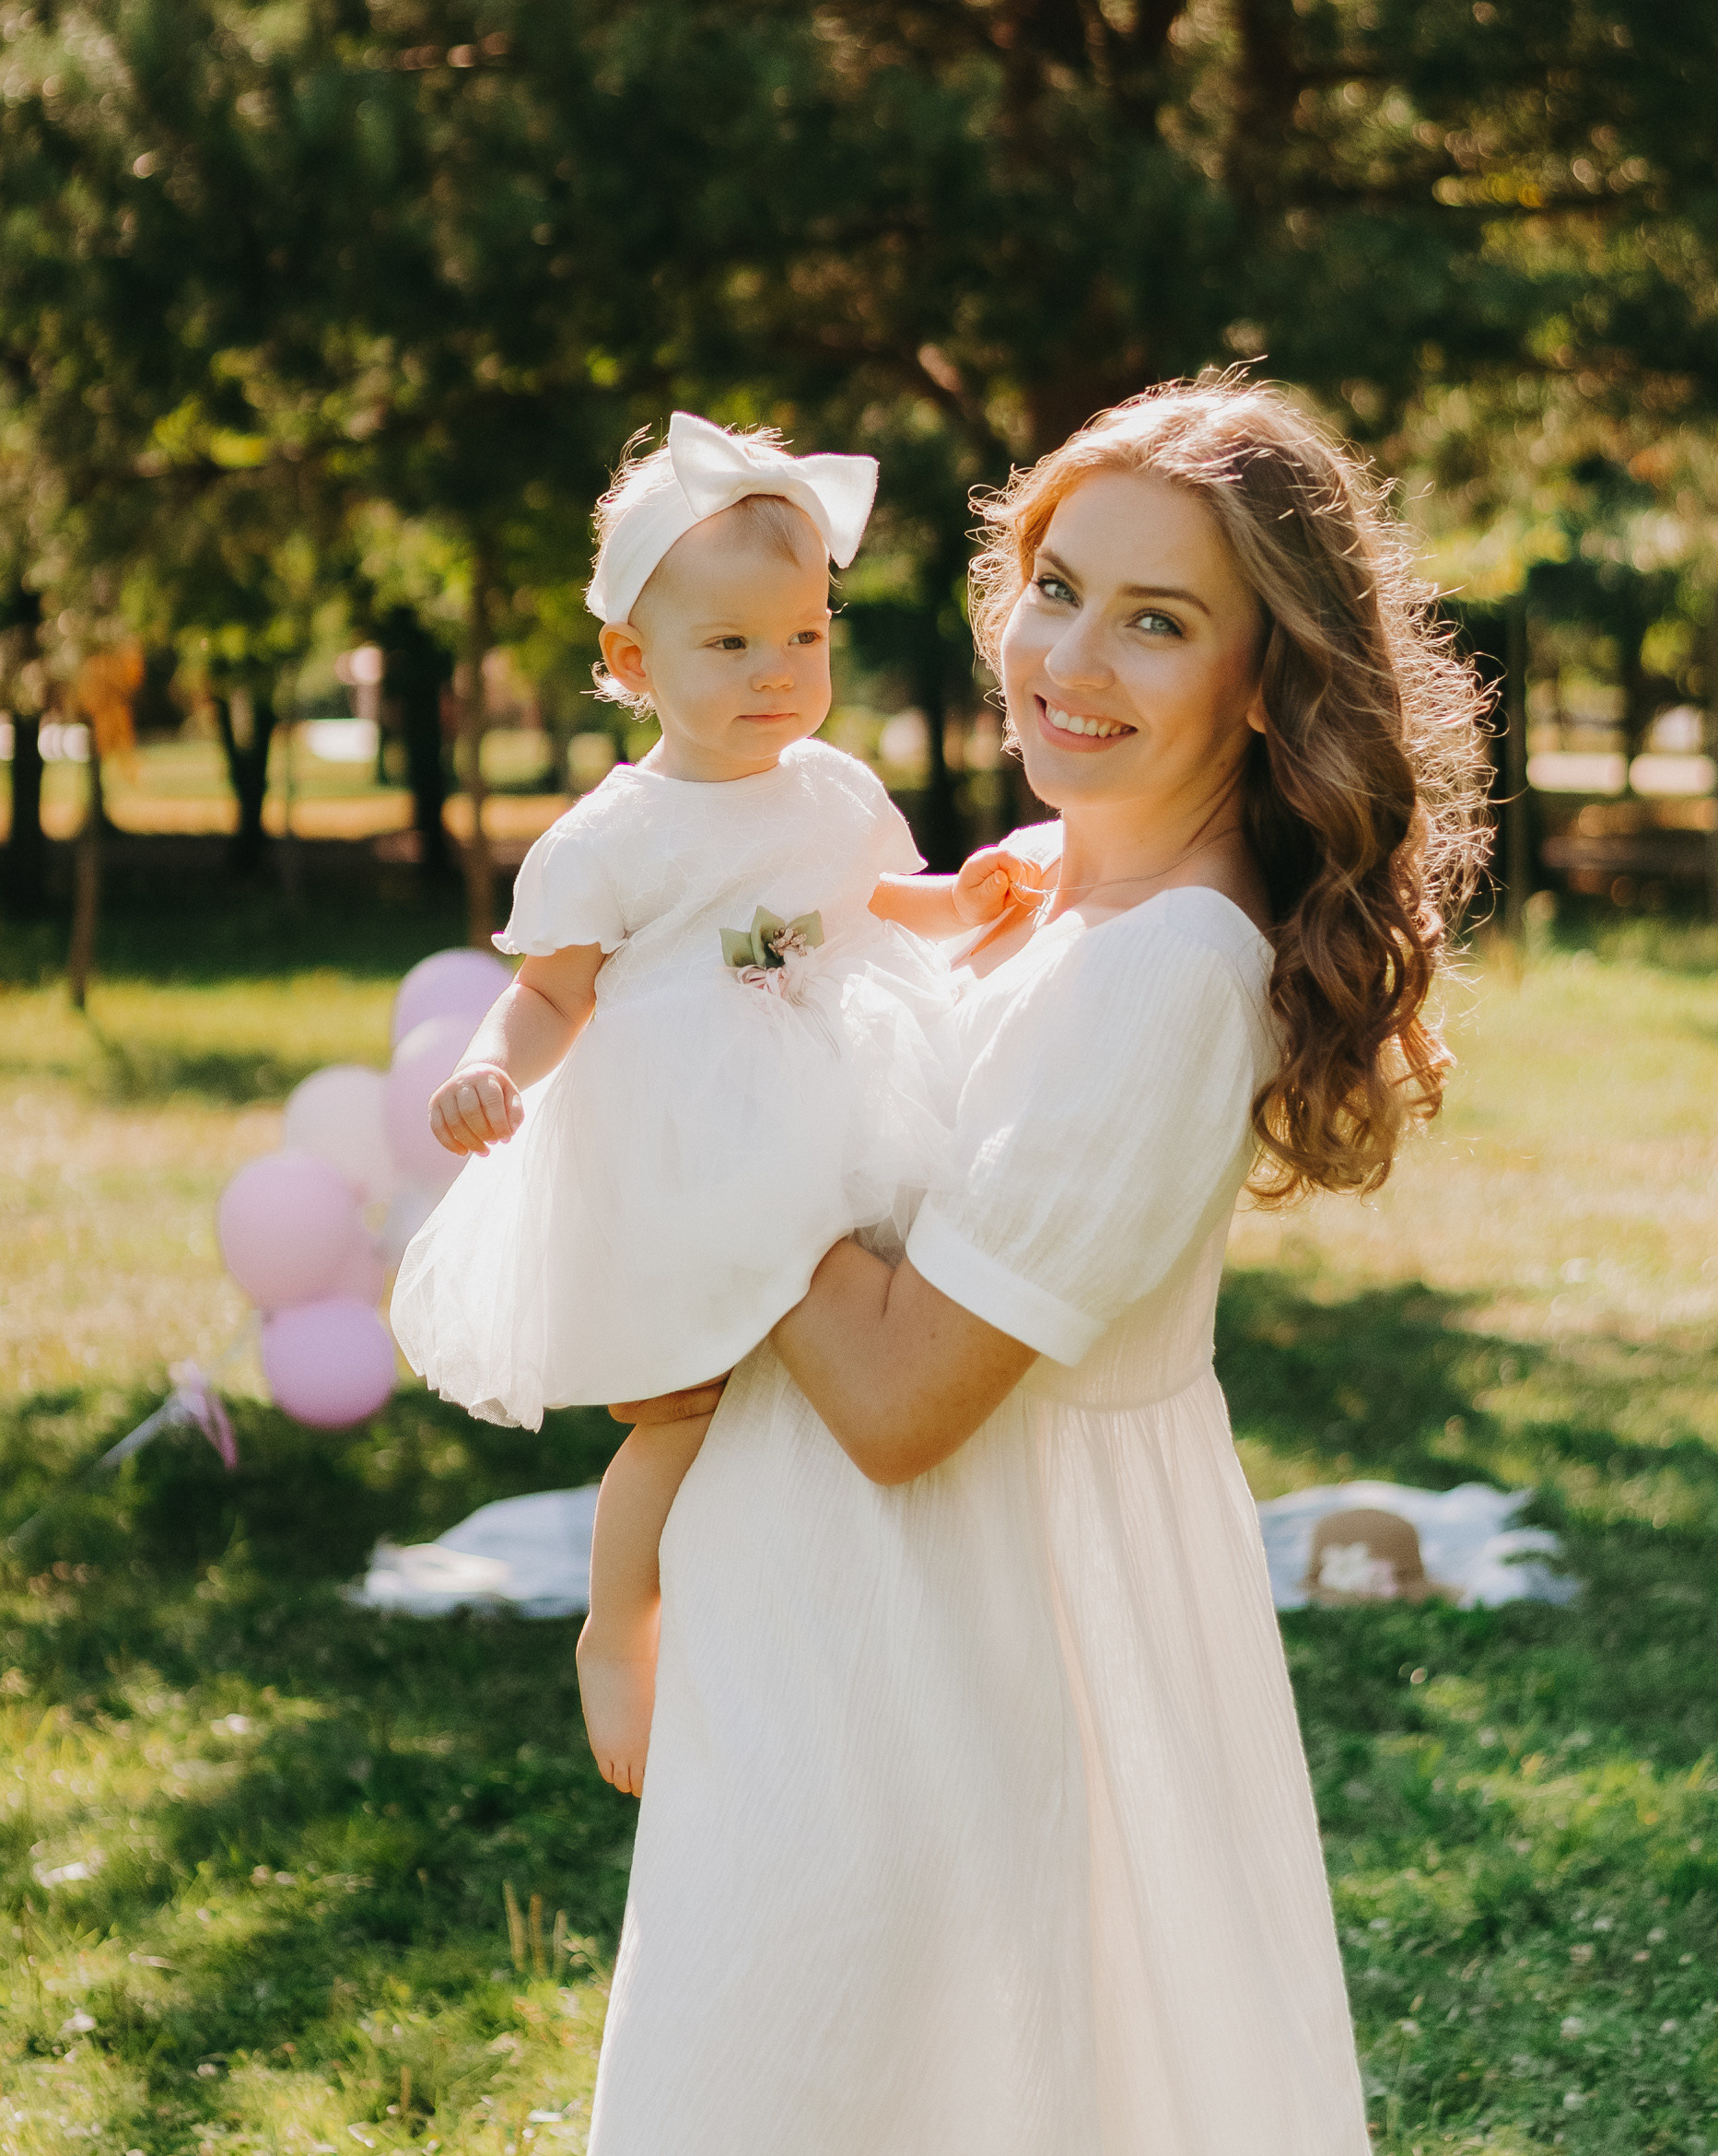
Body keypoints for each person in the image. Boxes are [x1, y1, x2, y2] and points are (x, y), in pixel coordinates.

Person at [586, 377, 1486, 2156]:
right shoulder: (1044, 885)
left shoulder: (1166, 979)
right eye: (1057, 586)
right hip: (833, 1623)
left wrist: (686, 1062)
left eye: (1158, 620)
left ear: (1268, 677)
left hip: (962, 1650)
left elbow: (909, 1398)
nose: (1069, 655)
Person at [390, 410, 1038, 1791]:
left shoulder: (833, 786)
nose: (776, 675)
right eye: (729, 645)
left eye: (802, 636)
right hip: (687, 1134)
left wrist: (956, 900)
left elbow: (868, 904)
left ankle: (840, 1609)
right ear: (634, 661)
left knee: (848, 1351)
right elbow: (555, 993)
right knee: (682, 1406)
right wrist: (488, 1065)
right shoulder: (613, 836)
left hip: (844, 1093)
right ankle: (621, 1632)